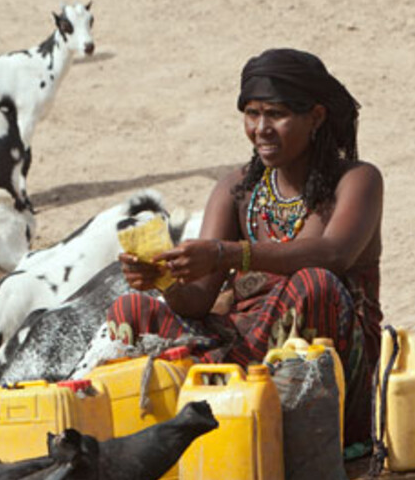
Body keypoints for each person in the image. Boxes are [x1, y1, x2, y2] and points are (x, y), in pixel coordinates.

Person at [107, 48, 383, 446]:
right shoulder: (237, 190)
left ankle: (229, 399)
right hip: (241, 342)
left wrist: (229, 253)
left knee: (313, 284)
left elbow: (334, 254)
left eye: (277, 114)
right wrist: (162, 280)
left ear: (316, 117)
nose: (261, 128)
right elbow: (198, 302)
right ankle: (207, 410)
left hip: (328, 358)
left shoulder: (356, 180)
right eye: (252, 114)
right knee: (130, 308)